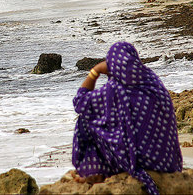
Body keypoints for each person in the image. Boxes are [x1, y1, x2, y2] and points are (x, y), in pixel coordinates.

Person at [71, 41, 183, 195]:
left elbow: (80, 102)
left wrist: (95, 71)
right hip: (166, 161)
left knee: (85, 120)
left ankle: (95, 174)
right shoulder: (152, 81)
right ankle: (98, 173)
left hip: (138, 160)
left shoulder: (114, 90)